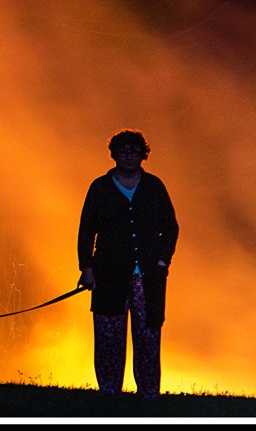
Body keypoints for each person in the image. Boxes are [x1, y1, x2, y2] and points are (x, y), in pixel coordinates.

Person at [77, 128, 179, 399]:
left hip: (148, 276)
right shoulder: (100, 188)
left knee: (148, 336)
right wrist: (86, 268)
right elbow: (87, 230)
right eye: (123, 152)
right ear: (114, 155)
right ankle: (109, 392)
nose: (129, 157)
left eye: (134, 152)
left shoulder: (154, 187)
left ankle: (148, 395)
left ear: (143, 155)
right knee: (109, 335)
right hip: (108, 274)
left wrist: (161, 261)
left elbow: (170, 227)